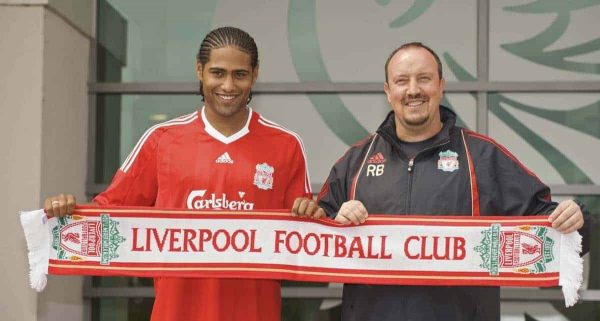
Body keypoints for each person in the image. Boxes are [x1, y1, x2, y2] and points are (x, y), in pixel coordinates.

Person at [292, 42, 587, 321]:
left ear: (441, 86)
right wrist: (336, 226)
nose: (413, 90)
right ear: (387, 91)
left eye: (424, 78)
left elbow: (548, 220)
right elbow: (313, 243)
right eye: (401, 80)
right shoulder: (355, 161)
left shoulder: (482, 156)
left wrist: (577, 218)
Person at [44, 26, 312, 321]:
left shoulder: (286, 145)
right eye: (218, 72)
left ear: (255, 74)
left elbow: (306, 235)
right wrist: (68, 213)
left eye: (240, 74)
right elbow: (110, 212)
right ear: (200, 70)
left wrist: (316, 214)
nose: (228, 85)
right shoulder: (162, 139)